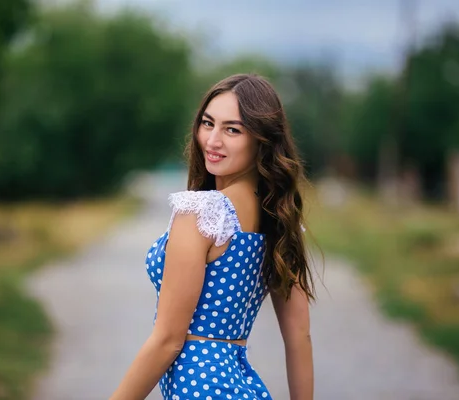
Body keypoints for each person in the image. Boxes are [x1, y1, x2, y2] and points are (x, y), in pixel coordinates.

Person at [109, 74, 316, 400]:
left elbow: (168, 339)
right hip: (241, 387)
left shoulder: (202, 213)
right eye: (208, 123)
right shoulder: (279, 218)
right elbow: (299, 336)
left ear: (262, 139)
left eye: (232, 129)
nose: (213, 140)